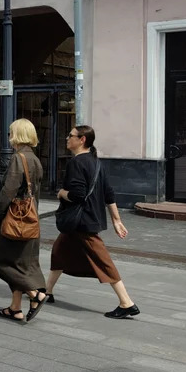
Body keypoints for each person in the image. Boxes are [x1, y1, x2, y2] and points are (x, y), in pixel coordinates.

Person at [48, 125, 139, 319]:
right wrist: (116, 220)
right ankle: (47, 291)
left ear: (82, 140)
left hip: (82, 222)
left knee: (102, 260)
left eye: (70, 135)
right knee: (59, 252)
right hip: (82, 221)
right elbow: (109, 193)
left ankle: (126, 302)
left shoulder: (77, 163)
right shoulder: (96, 162)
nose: (66, 138)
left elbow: (79, 195)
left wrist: (62, 193)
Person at [0, 118, 47, 323]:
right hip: (29, 221)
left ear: (17, 135)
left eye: (10, 132)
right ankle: (15, 308)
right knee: (19, 263)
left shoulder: (18, 158)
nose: (9, 136)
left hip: (14, 221)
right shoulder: (35, 159)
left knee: (0, 261)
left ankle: (34, 294)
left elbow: (8, 191)